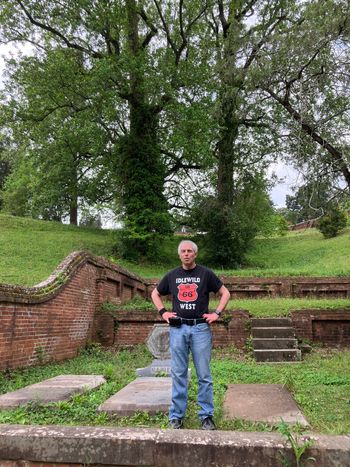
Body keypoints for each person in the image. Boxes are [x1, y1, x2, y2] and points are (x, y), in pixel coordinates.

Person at [151, 240, 231, 430]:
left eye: (190, 251)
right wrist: (163, 312)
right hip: (178, 329)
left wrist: (216, 313)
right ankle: (177, 416)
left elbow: (225, 293)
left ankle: (206, 416)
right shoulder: (172, 275)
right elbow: (155, 293)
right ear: (179, 255)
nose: (186, 254)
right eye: (183, 251)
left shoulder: (205, 274)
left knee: (204, 374)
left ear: (195, 254)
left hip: (200, 329)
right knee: (178, 373)